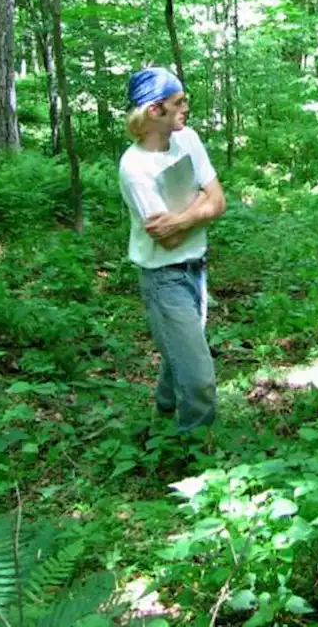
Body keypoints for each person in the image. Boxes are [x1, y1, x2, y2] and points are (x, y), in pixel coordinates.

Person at [118, 66, 227, 434]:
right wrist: (199, 205)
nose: (186, 108)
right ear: (154, 110)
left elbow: (219, 201)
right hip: (164, 279)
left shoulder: (189, 139)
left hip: (197, 270)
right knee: (198, 380)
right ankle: (195, 456)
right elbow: (170, 240)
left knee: (177, 353)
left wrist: (181, 218)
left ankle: (161, 423)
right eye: (178, 102)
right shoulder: (135, 167)